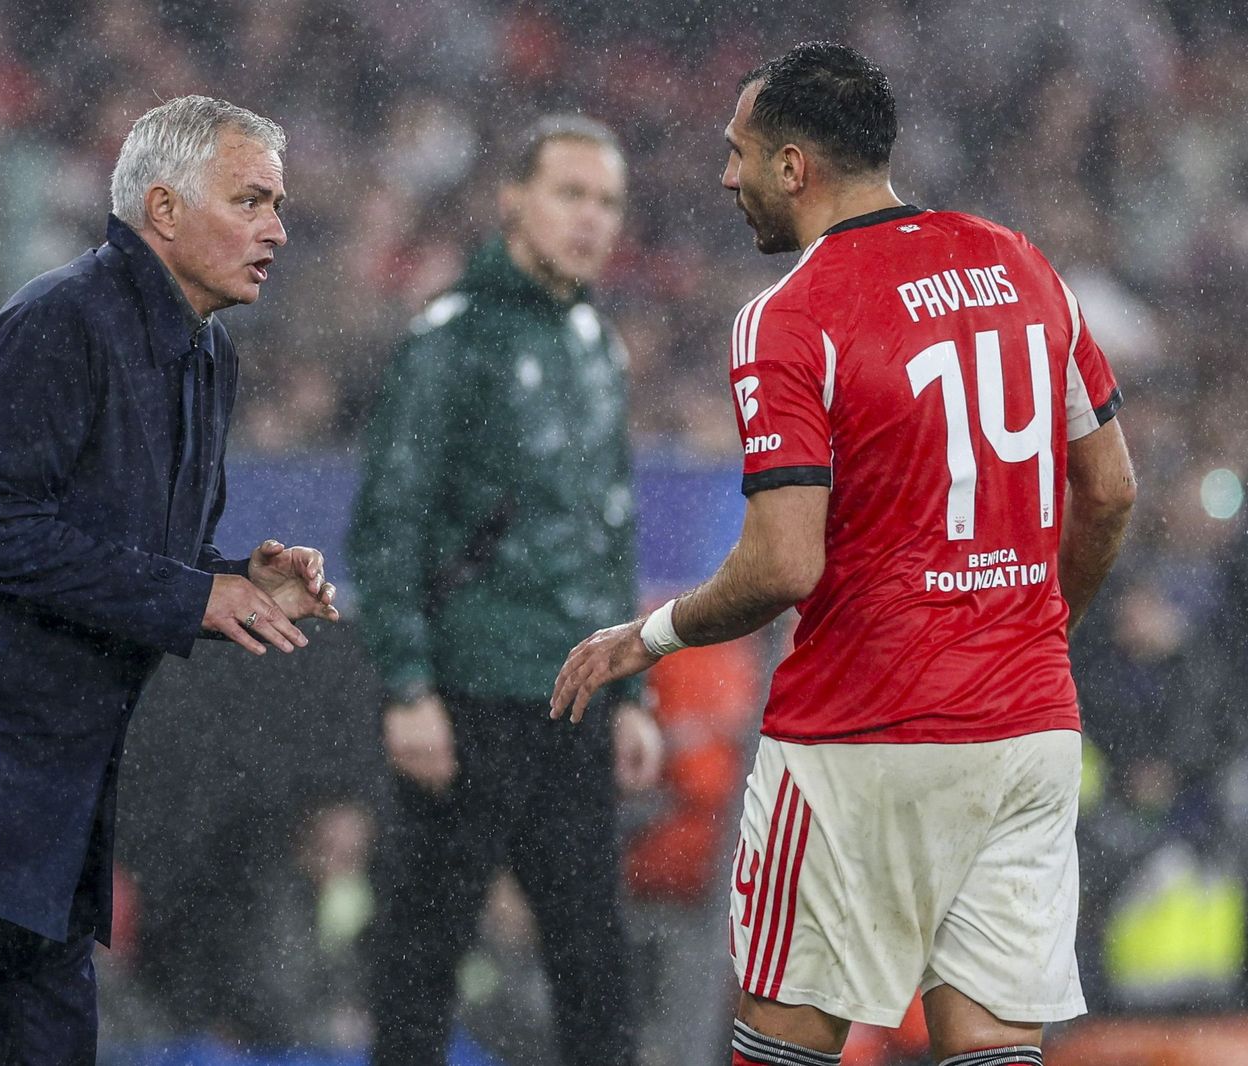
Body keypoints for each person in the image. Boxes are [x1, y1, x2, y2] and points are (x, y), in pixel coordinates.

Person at [551, 42, 1136, 1066]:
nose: (724, 177)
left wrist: (648, 635)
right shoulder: (1020, 263)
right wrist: (1036, 628)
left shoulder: (789, 316)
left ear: (792, 166)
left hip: (857, 736)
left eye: (737, 154)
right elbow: (1114, 491)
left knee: (785, 1041)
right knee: (994, 1047)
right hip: (1024, 727)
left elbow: (783, 564)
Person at [0, 95, 339, 1065]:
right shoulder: (57, 323)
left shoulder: (208, 356)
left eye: (278, 204)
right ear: (163, 210)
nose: (278, 230)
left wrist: (231, 580)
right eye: (252, 200)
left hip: (54, 786)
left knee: (45, 1050)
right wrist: (189, 595)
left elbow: (122, 561)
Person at [349, 114, 663, 1066]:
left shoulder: (596, 345)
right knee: (423, 958)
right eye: (570, 193)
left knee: (594, 965)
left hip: (574, 696)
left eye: (607, 201)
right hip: (470, 690)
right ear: (512, 202)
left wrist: (637, 689)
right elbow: (390, 522)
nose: (591, 219)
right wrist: (407, 686)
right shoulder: (453, 337)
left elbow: (609, 536)